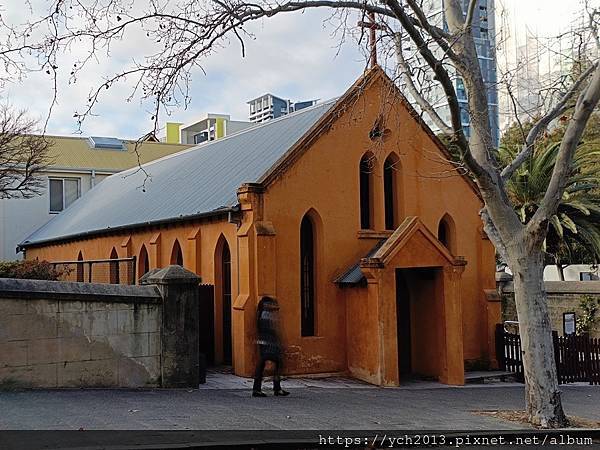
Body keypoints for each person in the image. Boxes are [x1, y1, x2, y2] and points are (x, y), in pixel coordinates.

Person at [252, 296, 289, 397]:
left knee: (263, 364)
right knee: (277, 362)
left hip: (264, 342)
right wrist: (276, 340)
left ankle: (259, 389)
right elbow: (269, 329)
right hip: (269, 343)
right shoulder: (266, 314)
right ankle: (275, 388)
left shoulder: (262, 314)